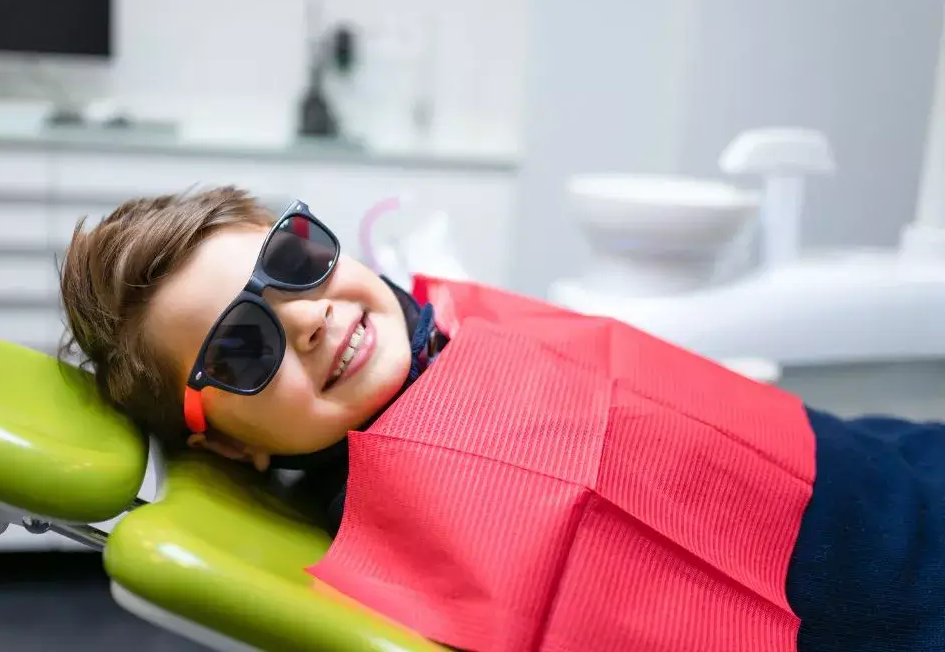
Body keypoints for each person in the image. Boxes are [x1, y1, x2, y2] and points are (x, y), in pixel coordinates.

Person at [60, 187, 945, 652]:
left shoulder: (438, 316)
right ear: (221, 439)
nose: (307, 314)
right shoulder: (389, 533)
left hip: (866, 456)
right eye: (242, 348)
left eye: (295, 259)